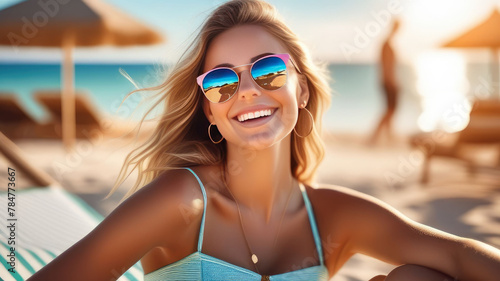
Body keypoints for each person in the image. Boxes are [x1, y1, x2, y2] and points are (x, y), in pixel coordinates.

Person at [27, 1, 500, 280]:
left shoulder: (330, 216)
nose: (249, 89)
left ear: (303, 87)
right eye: (221, 81)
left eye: (269, 69)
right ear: (210, 109)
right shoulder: (183, 201)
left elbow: (459, 253)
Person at [369, 19, 400, 145]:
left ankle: (388, 137)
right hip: (388, 81)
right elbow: (386, 66)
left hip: (389, 80)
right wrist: (390, 81)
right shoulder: (386, 44)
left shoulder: (388, 43)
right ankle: (374, 138)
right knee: (389, 110)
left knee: (390, 110)